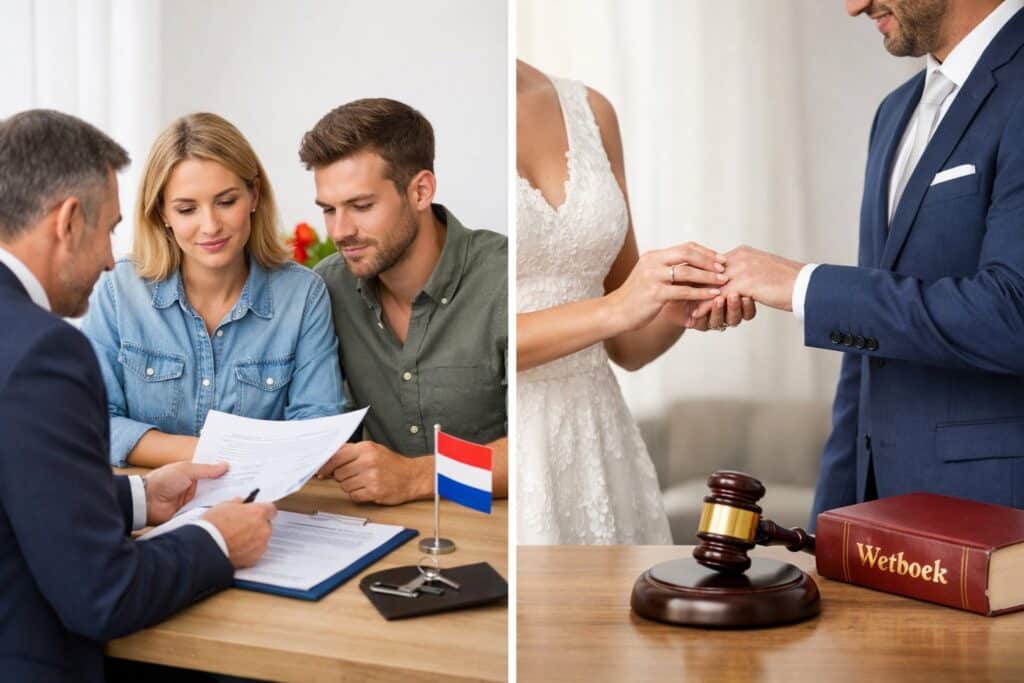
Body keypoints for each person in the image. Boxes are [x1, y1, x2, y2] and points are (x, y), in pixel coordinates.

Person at [689, 0, 1024, 527]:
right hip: (880, 516)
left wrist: (804, 286)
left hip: (995, 517)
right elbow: (866, 360)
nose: (853, 6)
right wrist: (830, 524)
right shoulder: (895, 112)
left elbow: (1013, 313)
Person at [0, 109, 276, 683]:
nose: (108, 258)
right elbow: (102, 594)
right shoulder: (44, 351)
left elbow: (21, 488)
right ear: (68, 221)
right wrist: (218, 539)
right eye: (107, 229)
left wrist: (140, 498)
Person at [515, 60, 756, 544]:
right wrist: (618, 308)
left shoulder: (589, 108)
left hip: (600, 440)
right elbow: (472, 343)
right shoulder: (451, 107)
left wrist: (674, 307)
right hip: (509, 440)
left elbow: (627, 346)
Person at [80, 113, 346, 468]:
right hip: (144, 512)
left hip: (262, 509)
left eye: (226, 202)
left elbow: (316, 428)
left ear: (254, 195)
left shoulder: (302, 296)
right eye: (187, 209)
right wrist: (214, 456)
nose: (210, 226)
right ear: (161, 212)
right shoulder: (120, 291)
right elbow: (95, 423)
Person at [305, 98, 508, 505]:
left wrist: (418, 476)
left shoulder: (503, 280)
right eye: (329, 209)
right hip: (376, 530)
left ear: (420, 190)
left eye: (361, 206)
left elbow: (536, 451)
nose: (341, 231)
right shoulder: (327, 287)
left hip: (493, 529)